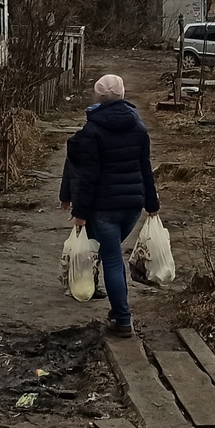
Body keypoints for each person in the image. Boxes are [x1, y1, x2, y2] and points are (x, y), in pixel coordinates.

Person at [58, 73, 159, 338]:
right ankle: (117, 312)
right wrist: (152, 203)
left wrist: (80, 213)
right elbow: (145, 168)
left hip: (104, 208)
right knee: (111, 252)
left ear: (98, 98)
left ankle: (123, 319)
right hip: (132, 206)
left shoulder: (92, 131)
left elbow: (89, 176)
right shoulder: (139, 127)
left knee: (113, 258)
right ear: (123, 94)